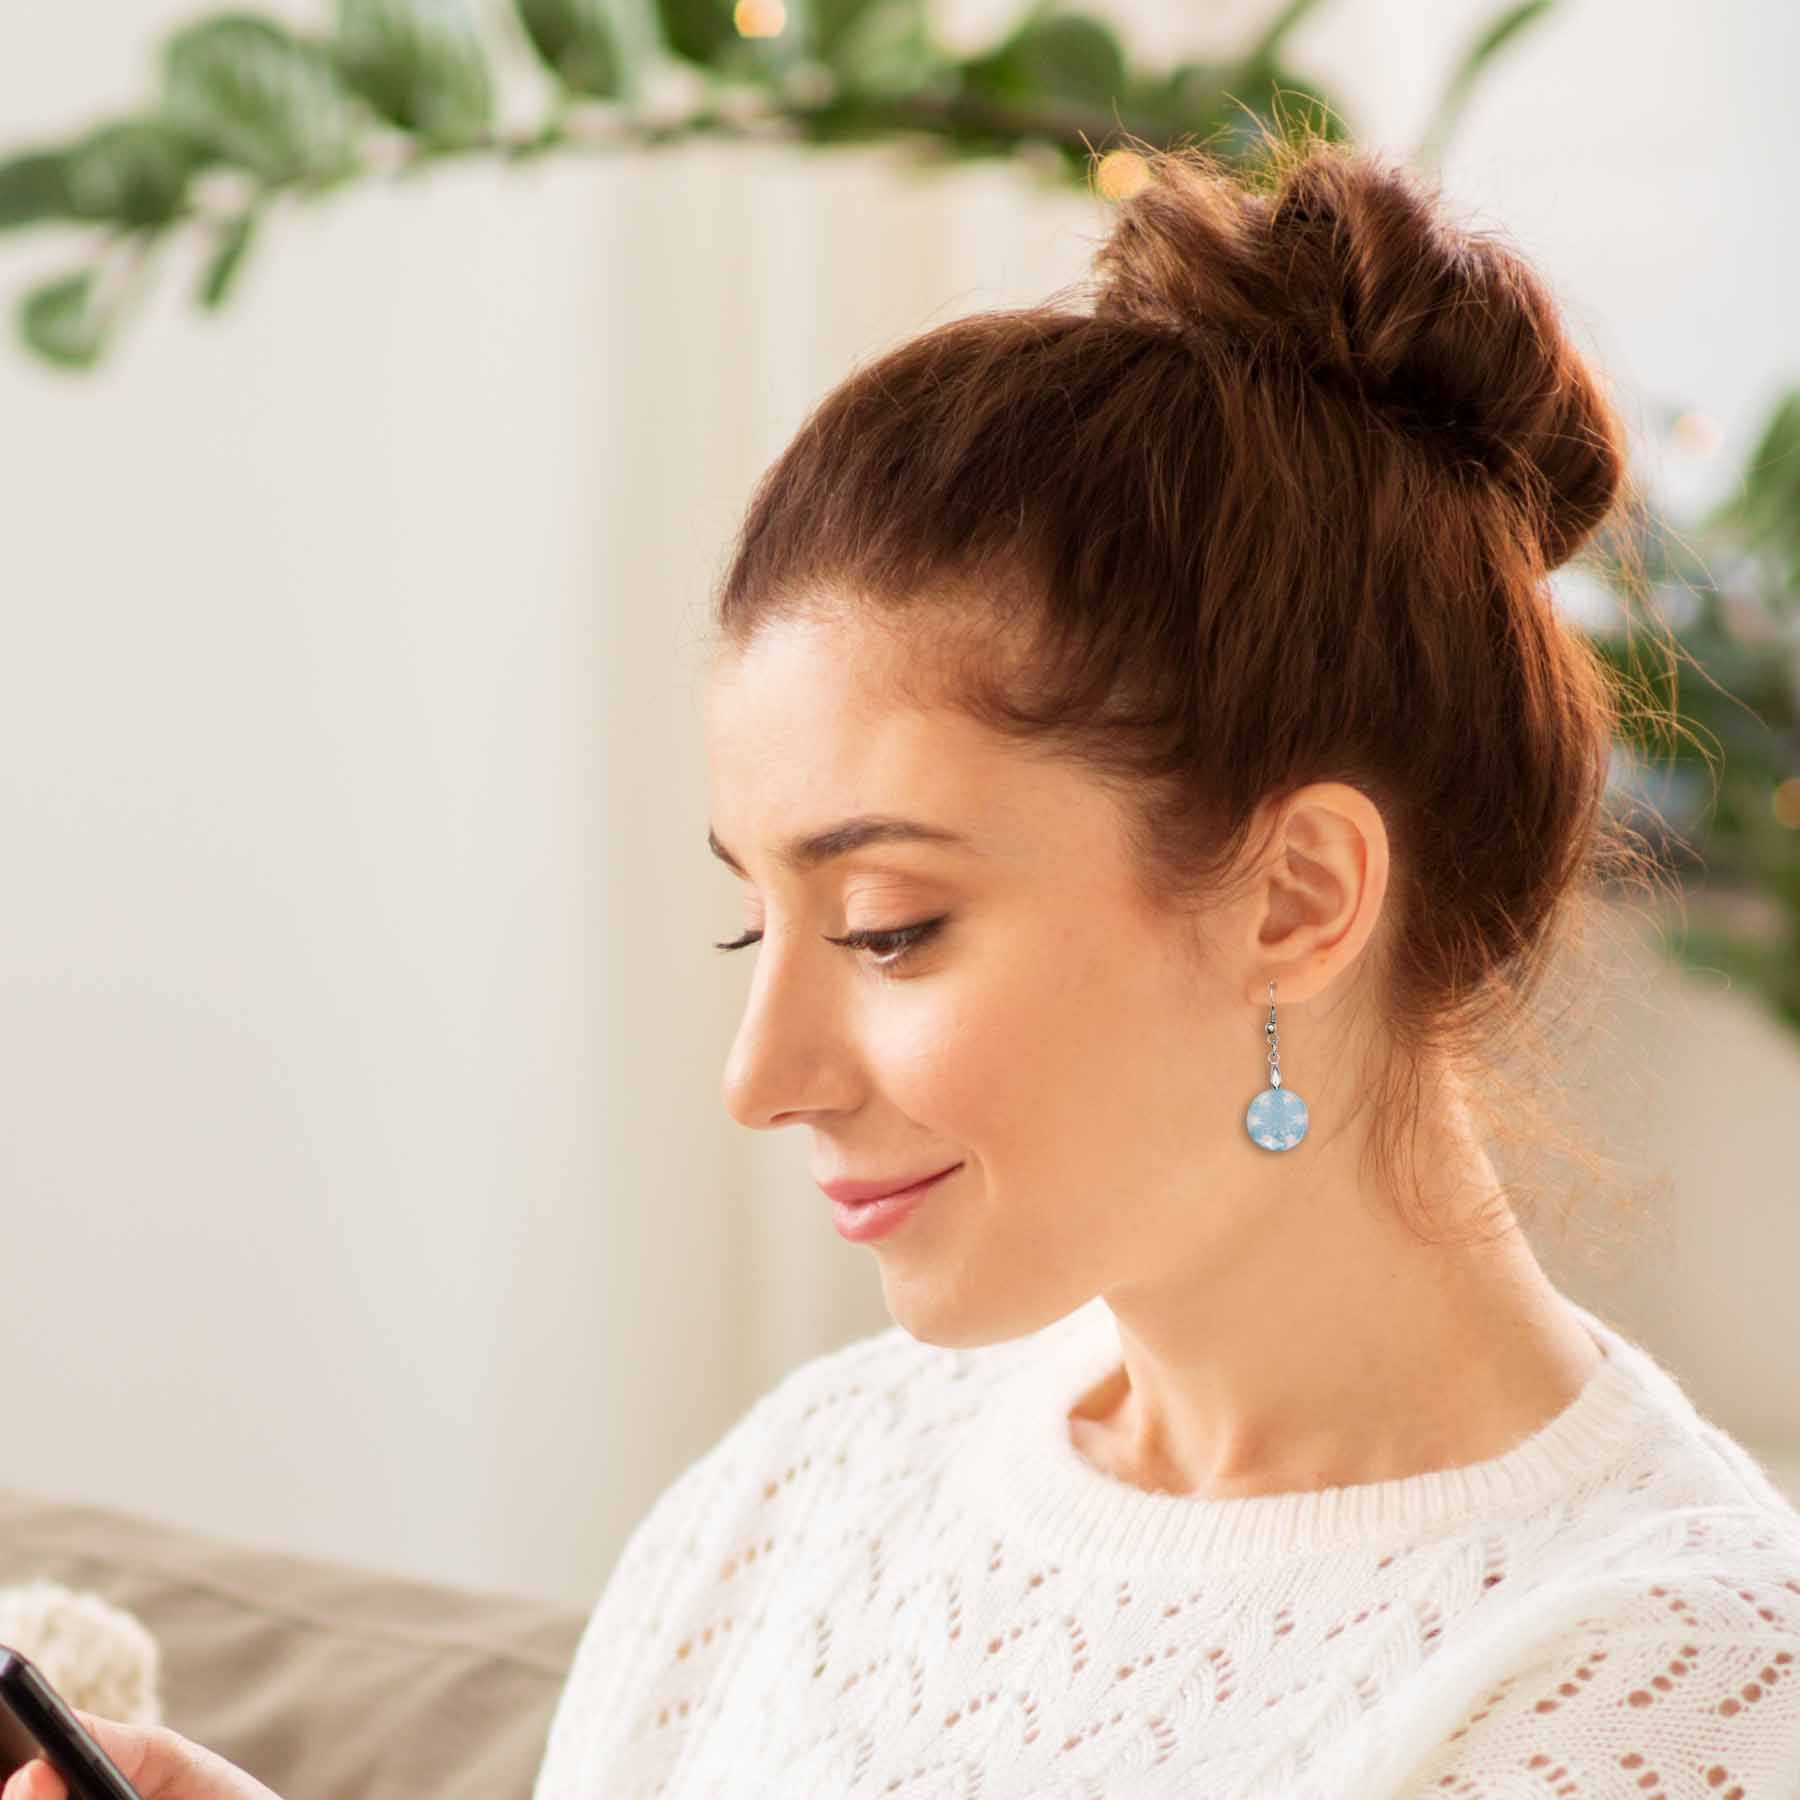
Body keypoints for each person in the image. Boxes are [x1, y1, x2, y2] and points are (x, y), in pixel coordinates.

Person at [14, 125, 1800, 1800]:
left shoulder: (1651, 1691)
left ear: (1298, 898)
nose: (757, 1069)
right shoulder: (811, 1492)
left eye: (888, 930)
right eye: (752, 917)